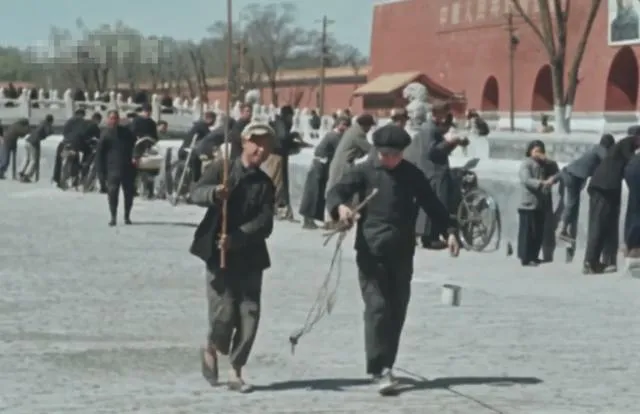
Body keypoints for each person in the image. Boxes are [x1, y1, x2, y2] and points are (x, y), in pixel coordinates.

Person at [325, 124, 460, 395]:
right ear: (377, 151)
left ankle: (387, 363)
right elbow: (336, 192)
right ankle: (378, 369)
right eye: (385, 154)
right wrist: (340, 208)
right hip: (371, 251)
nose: (389, 160)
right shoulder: (364, 171)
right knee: (377, 307)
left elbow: (432, 203)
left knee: (397, 309)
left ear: (402, 153)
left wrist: (450, 230)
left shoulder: (411, 174)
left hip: (402, 251)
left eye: (395, 155)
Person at [190, 122, 276, 392]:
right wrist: (215, 193)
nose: (261, 150)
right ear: (245, 142)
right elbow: (195, 192)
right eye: (257, 143)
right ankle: (212, 345)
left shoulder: (265, 184)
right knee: (224, 313)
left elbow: (265, 223)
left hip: (250, 255)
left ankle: (236, 370)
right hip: (218, 254)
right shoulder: (222, 168)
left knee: (249, 315)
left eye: (266, 146)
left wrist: (237, 238)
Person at [404, 106, 468, 249]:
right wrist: (450, 141)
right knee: (436, 203)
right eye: (443, 114)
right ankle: (430, 238)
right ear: (437, 114)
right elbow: (433, 152)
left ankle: (431, 236)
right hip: (434, 171)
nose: (444, 118)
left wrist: (454, 143)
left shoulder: (430, 128)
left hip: (431, 170)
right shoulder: (430, 129)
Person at [584, 127, 640, 274]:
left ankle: (597, 262)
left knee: (606, 225)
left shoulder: (624, 146)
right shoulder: (628, 142)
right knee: (598, 224)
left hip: (609, 188)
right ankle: (589, 262)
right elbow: (632, 161)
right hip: (603, 187)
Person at [556, 134, 615, 248]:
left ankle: (565, 229)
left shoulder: (593, 149)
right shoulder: (600, 149)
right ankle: (561, 229)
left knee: (573, 205)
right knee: (571, 204)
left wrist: (552, 179)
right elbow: (608, 160)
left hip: (570, 174)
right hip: (573, 177)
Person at [299, 115, 351, 229]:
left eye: (347, 125)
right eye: (344, 124)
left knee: (318, 193)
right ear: (338, 124)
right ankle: (308, 220)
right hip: (319, 166)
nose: (345, 127)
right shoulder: (333, 136)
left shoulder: (337, 136)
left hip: (323, 166)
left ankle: (311, 219)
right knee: (313, 193)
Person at [517, 140, 555, 266]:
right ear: (530, 151)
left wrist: (547, 160)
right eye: (536, 151)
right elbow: (526, 179)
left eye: (540, 151)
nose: (538, 154)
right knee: (527, 233)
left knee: (537, 232)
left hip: (540, 203)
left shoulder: (544, 164)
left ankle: (534, 256)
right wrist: (542, 183)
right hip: (528, 203)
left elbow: (555, 170)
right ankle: (525, 257)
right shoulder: (526, 163)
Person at [96, 110, 137, 226]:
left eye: (115, 118)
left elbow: (135, 146)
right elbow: (99, 155)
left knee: (129, 195)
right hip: (112, 169)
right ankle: (113, 217)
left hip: (127, 168)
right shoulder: (105, 135)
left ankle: (127, 216)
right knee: (113, 194)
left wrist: (135, 157)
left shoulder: (127, 133)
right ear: (108, 120)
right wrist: (101, 173)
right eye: (111, 118)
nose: (113, 120)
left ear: (118, 120)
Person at [325, 114, 376, 197]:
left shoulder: (353, 130)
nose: (370, 129)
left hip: (339, 163)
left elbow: (359, 151)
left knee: (335, 189)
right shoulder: (358, 133)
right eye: (369, 126)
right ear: (365, 125)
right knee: (338, 192)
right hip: (342, 165)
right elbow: (370, 149)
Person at [19, 114, 54, 182]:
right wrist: (51, 129)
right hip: (33, 142)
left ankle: (21, 172)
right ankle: (27, 176)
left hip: (28, 141)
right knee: (34, 160)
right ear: (51, 121)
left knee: (27, 159)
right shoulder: (46, 124)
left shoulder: (41, 123)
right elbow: (48, 132)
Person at [624, 149, 640, 258]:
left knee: (633, 207)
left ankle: (630, 246)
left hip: (632, 167)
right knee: (637, 210)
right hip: (636, 170)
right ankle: (634, 247)